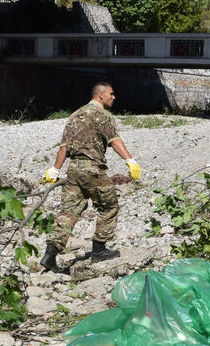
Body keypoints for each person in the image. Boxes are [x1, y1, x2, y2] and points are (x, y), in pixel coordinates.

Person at [40, 82, 140, 272]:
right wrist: (130, 160)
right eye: (111, 93)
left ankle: (50, 254)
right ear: (100, 95)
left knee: (68, 212)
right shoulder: (103, 116)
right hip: (93, 169)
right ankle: (99, 249)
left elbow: (64, 146)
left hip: (74, 170)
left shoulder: (75, 115)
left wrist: (55, 169)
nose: (114, 97)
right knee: (109, 206)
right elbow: (114, 141)